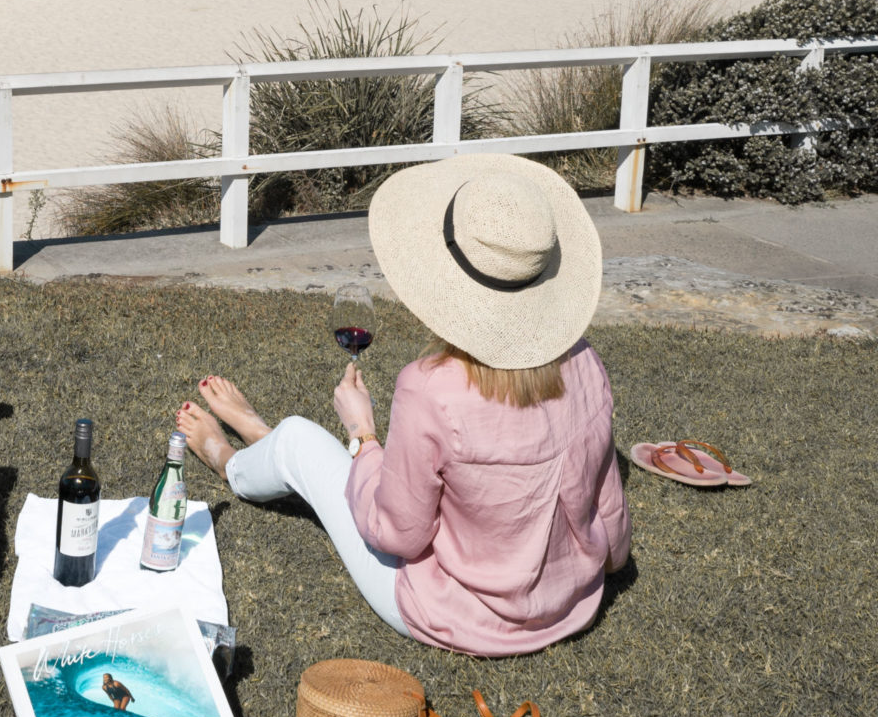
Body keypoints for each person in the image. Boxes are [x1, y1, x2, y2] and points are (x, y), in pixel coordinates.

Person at [176, 155, 630, 656]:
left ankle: (231, 460)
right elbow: (607, 501)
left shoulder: (430, 388)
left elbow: (398, 534)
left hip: (452, 613)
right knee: (308, 451)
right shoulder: (588, 364)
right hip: (569, 604)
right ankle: (270, 445)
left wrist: (363, 435)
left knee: (302, 439)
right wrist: (609, 565)